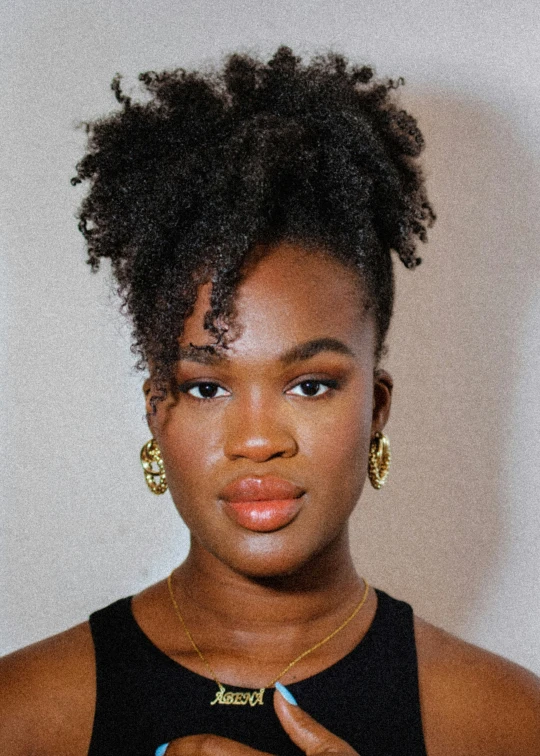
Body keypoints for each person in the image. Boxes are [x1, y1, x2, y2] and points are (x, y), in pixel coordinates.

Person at [1, 47, 539, 756]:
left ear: (376, 409)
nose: (257, 440)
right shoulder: (25, 716)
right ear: (155, 410)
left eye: (310, 384)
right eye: (206, 386)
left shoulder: (505, 723)